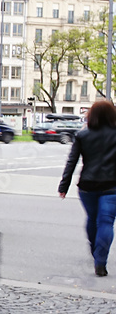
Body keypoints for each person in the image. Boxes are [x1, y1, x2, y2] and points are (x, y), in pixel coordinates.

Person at [59, 100, 116, 277]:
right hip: (112, 186)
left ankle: (95, 250)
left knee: (92, 219)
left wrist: (64, 185)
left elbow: (72, 161)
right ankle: (100, 261)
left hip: (87, 185)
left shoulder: (83, 135)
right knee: (105, 221)